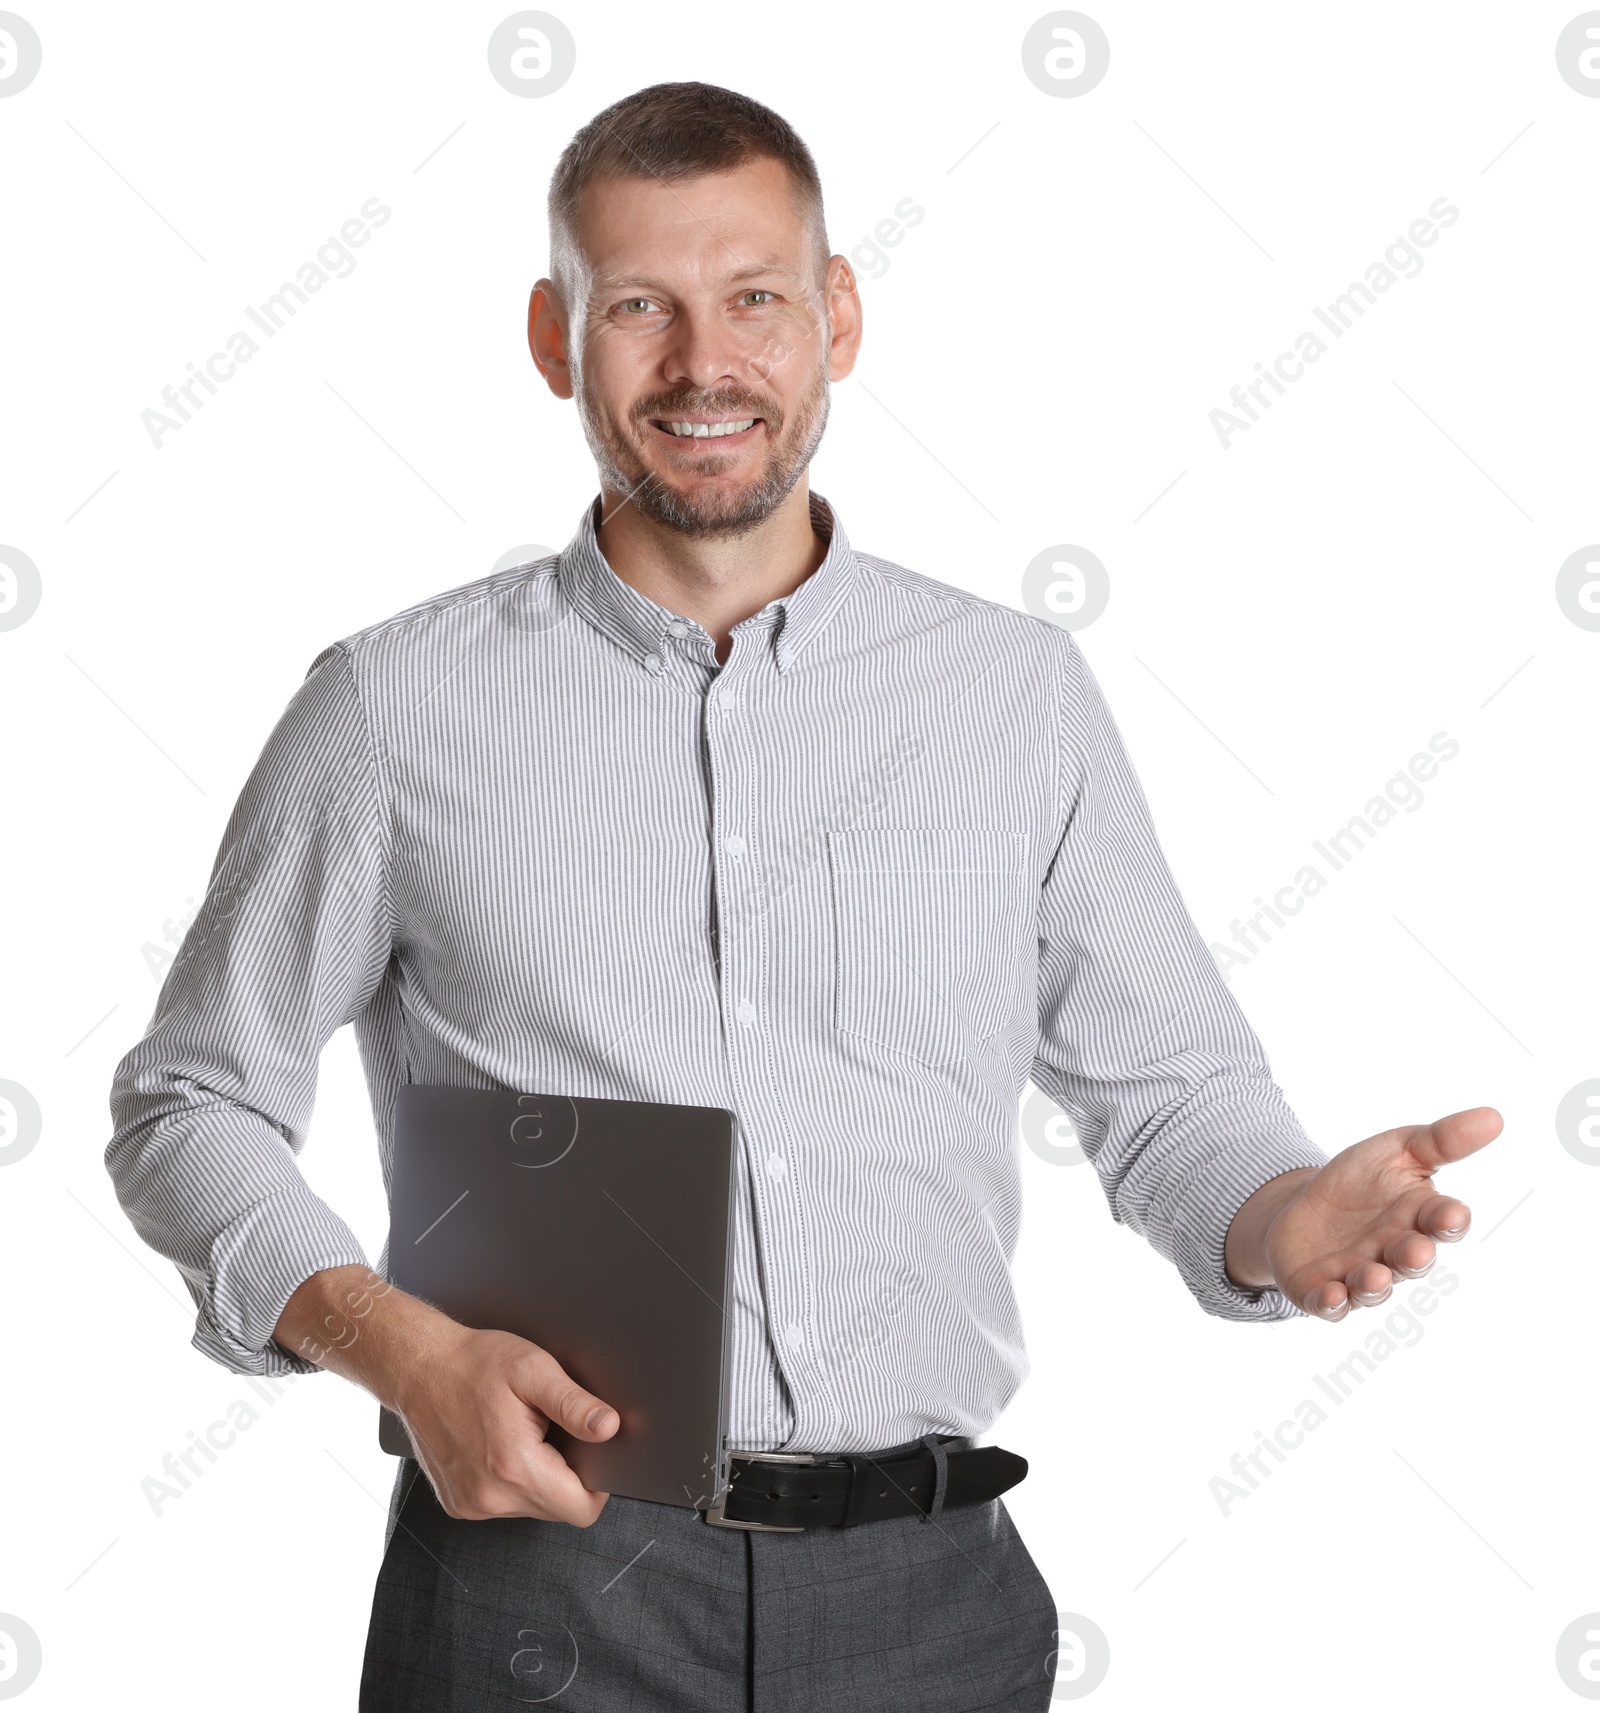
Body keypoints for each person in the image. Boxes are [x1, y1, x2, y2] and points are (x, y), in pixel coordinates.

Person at [106, 80, 1500, 1713]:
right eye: (642, 307)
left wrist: (1283, 1219)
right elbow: (189, 1100)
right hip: (542, 1590)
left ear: (835, 313)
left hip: (935, 1601)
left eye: (755, 297)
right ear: (558, 339)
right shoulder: (392, 707)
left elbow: (1175, 1095)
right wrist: (396, 1348)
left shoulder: (1010, 693)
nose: (705, 364)